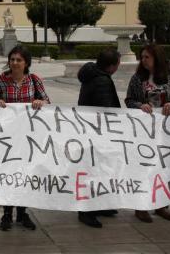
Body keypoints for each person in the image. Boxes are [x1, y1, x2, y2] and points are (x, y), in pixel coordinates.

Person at [124, 44, 170, 223]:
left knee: (164, 167)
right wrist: (140, 105)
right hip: (145, 131)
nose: (143, 61)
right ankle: (141, 206)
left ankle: (162, 205)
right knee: (145, 167)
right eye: (142, 57)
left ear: (157, 58)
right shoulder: (138, 78)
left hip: (167, 131)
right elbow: (129, 100)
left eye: (147, 57)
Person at [0, 45, 46, 231]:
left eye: (19, 60)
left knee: (25, 173)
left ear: (26, 63)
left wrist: (40, 102)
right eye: (12, 59)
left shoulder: (34, 80)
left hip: (28, 136)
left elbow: (47, 102)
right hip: (7, 136)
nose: (14, 63)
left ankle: (22, 213)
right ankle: (7, 213)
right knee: (8, 173)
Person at [76, 48, 122, 228]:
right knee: (95, 171)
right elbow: (106, 109)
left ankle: (100, 205)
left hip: (89, 131)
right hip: (98, 133)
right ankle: (87, 211)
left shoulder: (92, 74)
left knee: (99, 170)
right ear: (111, 66)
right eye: (117, 64)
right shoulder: (101, 80)